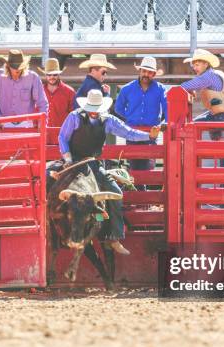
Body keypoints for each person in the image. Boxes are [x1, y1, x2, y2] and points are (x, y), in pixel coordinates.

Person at [51, 90, 159, 255]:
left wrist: (148, 136)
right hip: (72, 163)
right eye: (91, 107)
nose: (94, 111)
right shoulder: (74, 117)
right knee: (52, 188)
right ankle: (53, 232)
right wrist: (67, 158)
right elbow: (62, 138)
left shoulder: (107, 119)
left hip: (93, 163)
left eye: (96, 108)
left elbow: (127, 132)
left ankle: (114, 236)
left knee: (115, 191)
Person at [181, 49, 224, 170]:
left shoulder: (207, 76)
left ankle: (189, 158)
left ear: (206, 64)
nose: (194, 68)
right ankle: (218, 141)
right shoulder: (215, 74)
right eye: (194, 65)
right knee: (202, 120)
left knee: (191, 126)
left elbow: (184, 87)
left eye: (197, 64)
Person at [114, 56, 167, 185]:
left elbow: (167, 109)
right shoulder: (127, 89)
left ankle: (144, 201)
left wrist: (162, 124)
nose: (146, 74)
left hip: (151, 133)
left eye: (149, 72)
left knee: (148, 168)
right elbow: (118, 108)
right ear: (140, 71)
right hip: (132, 133)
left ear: (154, 74)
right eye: (144, 71)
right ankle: (137, 199)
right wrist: (130, 118)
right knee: (134, 167)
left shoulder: (160, 89)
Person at [0, 49, 48, 131]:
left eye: (20, 67)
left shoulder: (33, 77)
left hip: (26, 123)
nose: (17, 69)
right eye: (14, 67)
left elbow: (42, 102)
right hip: (3, 122)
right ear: (8, 66)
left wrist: (42, 122)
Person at [38, 58, 76, 127]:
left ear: (59, 75)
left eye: (55, 74)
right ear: (45, 75)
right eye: (49, 75)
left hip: (63, 134)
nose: (52, 77)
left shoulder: (69, 92)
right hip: (44, 134)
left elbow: (74, 116)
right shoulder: (39, 91)